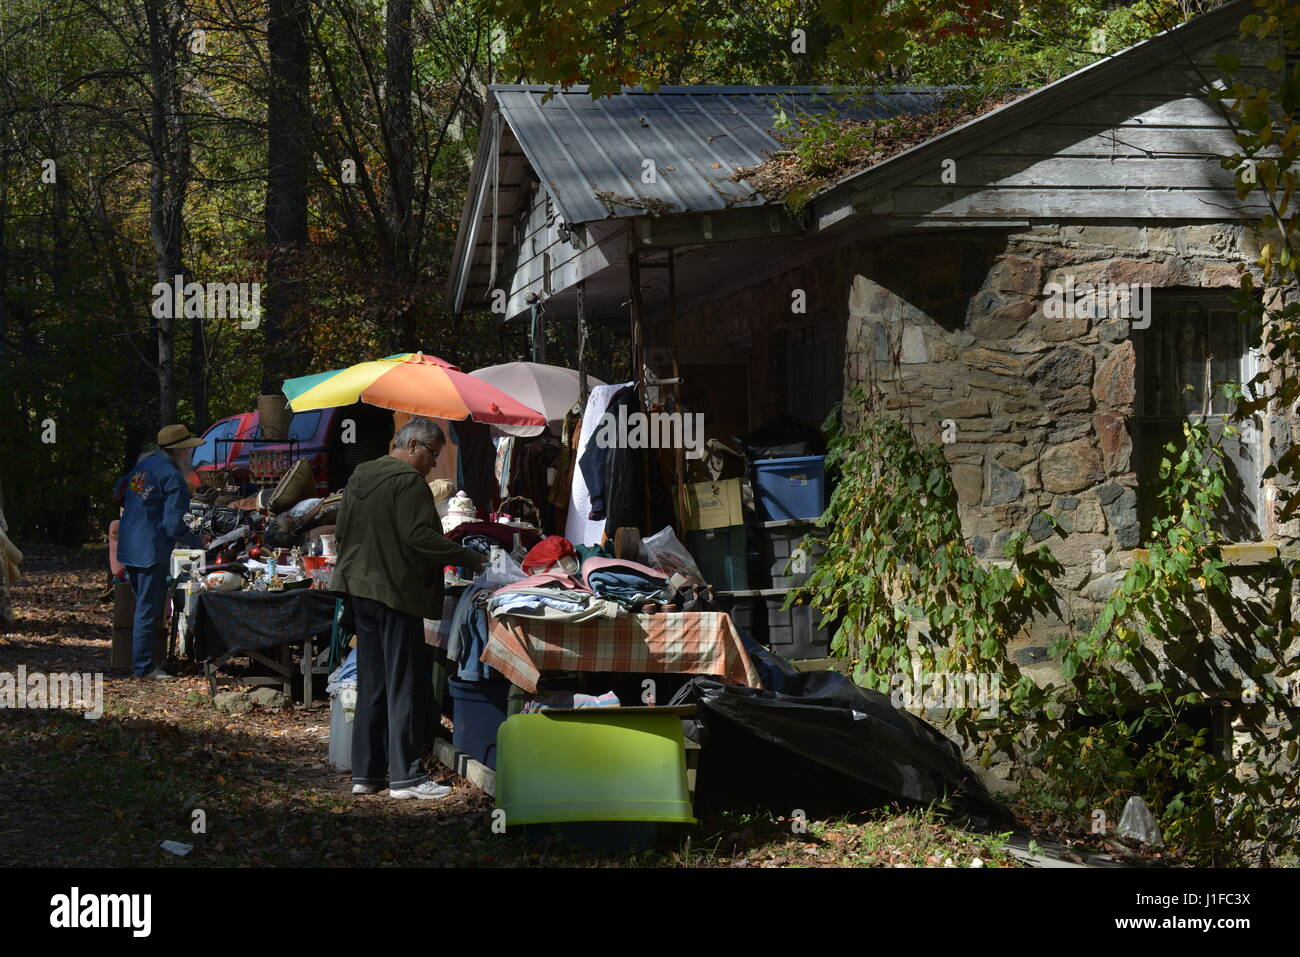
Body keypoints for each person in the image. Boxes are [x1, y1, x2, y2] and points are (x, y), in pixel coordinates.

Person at [330, 416, 486, 800]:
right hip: (395, 595)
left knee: (372, 684)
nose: (433, 465)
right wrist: (470, 556)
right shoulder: (408, 483)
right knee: (403, 684)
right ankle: (406, 777)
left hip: (359, 592)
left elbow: (342, 533)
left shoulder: (361, 475)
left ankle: (365, 775)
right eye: (432, 455)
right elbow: (420, 537)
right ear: (412, 446)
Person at [113, 425, 204, 678]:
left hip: (130, 542)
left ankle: (145, 663)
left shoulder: (144, 465)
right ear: (180, 451)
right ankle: (143, 668)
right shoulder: (173, 477)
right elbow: (174, 525)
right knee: (148, 608)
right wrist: (197, 541)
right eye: (188, 449)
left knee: (143, 606)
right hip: (150, 548)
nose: (190, 453)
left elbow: (117, 491)